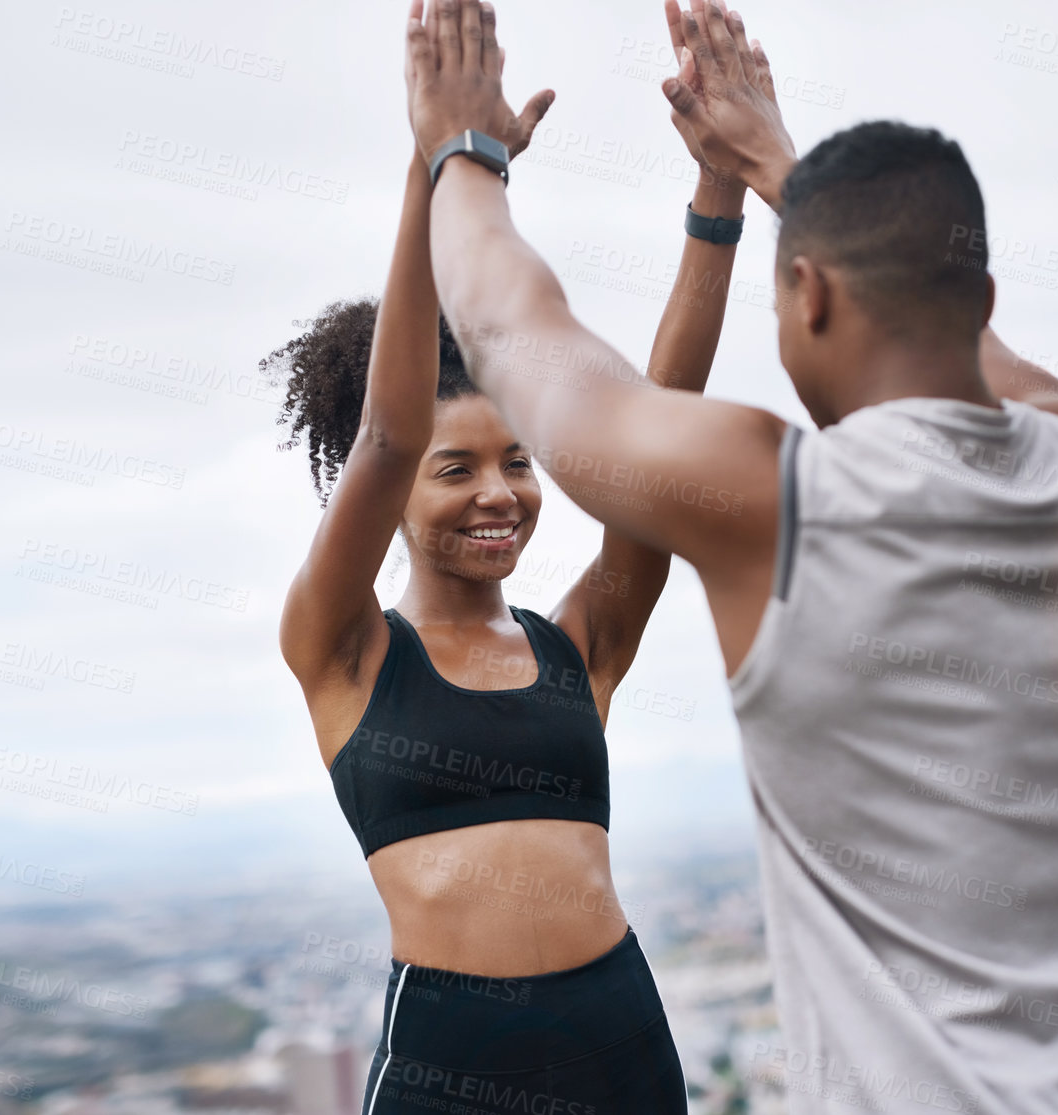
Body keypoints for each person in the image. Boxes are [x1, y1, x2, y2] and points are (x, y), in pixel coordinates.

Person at [397, 0, 1058, 1111]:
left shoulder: (785, 503)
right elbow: (1018, 378)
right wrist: (779, 167)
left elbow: (512, 329)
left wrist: (461, 147)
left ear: (806, 294)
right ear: (978, 298)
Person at [270, 10, 767, 1108]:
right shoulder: (342, 649)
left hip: (624, 1053)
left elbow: (657, 419)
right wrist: (439, 162)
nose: (499, 493)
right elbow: (390, 428)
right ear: (388, 492)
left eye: (518, 462)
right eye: (457, 470)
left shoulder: (575, 648)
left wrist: (718, 194)